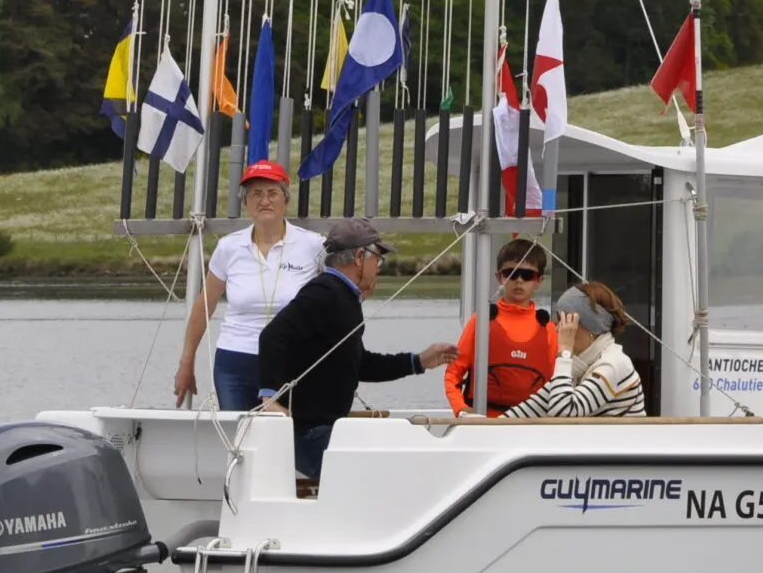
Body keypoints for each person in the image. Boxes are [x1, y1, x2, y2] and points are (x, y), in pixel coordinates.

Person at [255, 217, 457, 487]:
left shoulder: (344, 297)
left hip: (326, 429)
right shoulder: (325, 291)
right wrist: (269, 398)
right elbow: (272, 336)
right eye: (378, 258)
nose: (379, 267)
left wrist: (418, 361)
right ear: (360, 257)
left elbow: (358, 364)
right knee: (383, 483)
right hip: (312, 432)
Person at [171, 160, 323, 411]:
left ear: (286, 200)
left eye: (272, 193)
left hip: (293, 360)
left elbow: (342, 293)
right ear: (245, 204)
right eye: (256, 194)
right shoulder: (229, 247)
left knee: (286, 438)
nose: (265, 201)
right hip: (236, 361)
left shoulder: (313, 245)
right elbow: (204, 307)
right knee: (239, 438)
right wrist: (186, 363)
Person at [441, 237, 558, 416]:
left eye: (527, 275)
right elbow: (452, 374)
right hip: (485, 426)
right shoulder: (482, 321)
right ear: (499, 277)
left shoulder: (549, 329)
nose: (519, 280)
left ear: (538, 281)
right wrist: (462, 410)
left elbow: (558, 385)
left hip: (532, 428)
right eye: (511, 273)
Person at [506, 283, 646, 418]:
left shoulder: (615, 364)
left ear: (591, 327)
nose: (558, 328)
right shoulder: (581, 366)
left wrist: (565, 352)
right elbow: (532, 408)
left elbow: (562, 413)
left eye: (565, 320)